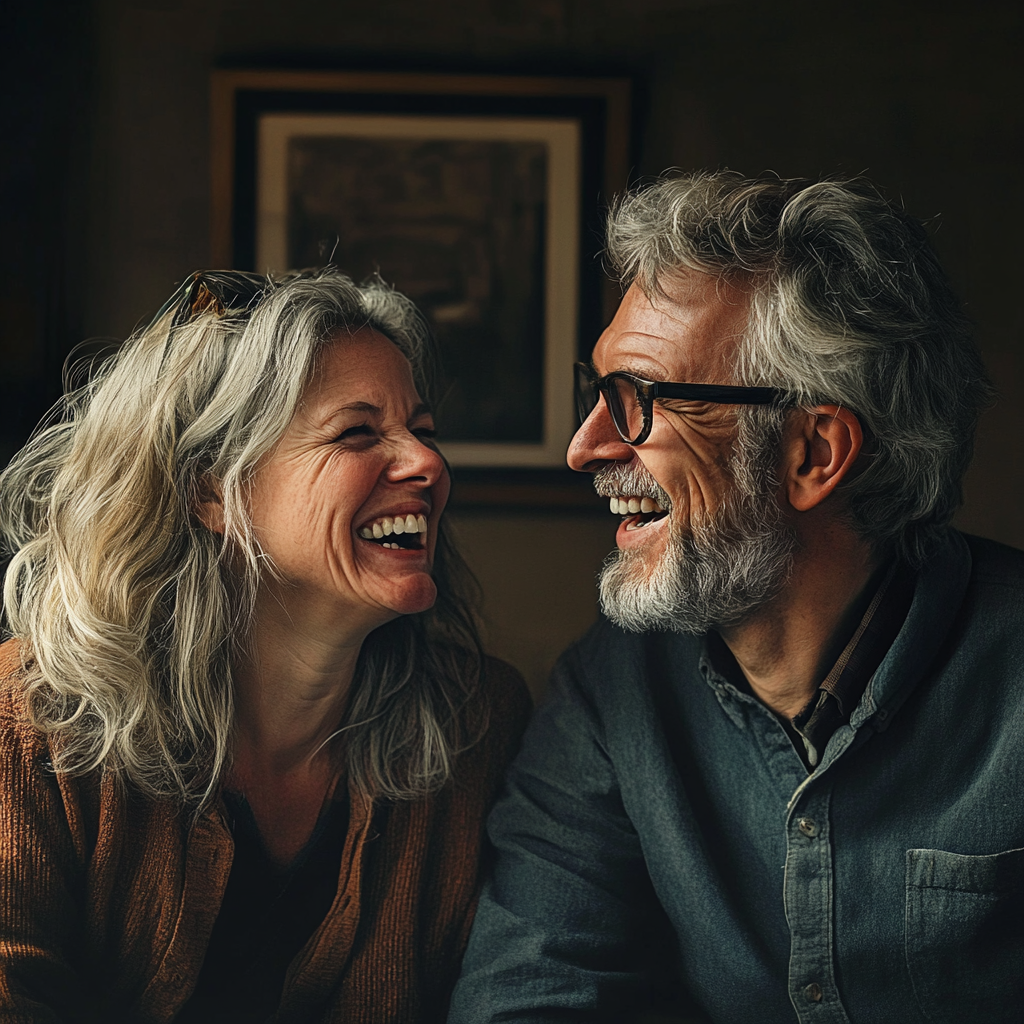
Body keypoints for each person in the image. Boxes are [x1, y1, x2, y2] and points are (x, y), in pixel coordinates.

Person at [449, 171, 1024, 1024]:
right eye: (600, 392)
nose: (584, 447)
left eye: (639, 399)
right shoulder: (611, 695)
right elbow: (528, 995)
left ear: (813, 453)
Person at [0, 268, 531, 1023]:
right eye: (357, 432)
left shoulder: (481, 719)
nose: (427, 464)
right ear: (211, 489)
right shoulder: (26, 726)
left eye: (424, 430)